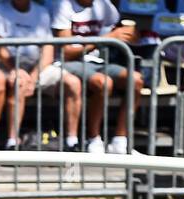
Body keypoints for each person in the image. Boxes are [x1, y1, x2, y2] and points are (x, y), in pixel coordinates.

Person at [52, 0, 142, 153]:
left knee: (135, 80)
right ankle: (93, 139)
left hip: (100, 62)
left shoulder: (103, 4)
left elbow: (119, 29)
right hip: (70, 62)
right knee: (103, 82)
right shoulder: (62, 6)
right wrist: (108, 37)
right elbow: (66, 52)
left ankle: (120, 141)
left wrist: (131, 35)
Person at [0, 0, 71, 149]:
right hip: (9, 66)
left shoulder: (42, 12)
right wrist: (17, 70)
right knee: (19, 83)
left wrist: (33, 77)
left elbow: (48, 51)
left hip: (37, 67)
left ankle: (73, 142)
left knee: (73, 83)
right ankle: (12, 141)